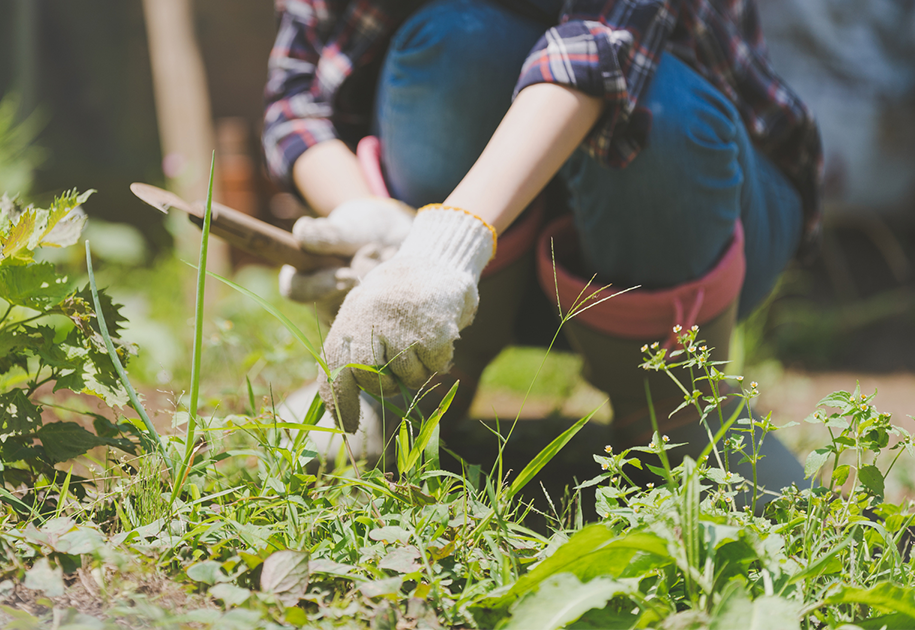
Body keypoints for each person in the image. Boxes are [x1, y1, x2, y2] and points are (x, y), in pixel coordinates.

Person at [264, 0, 821, 492]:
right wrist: (375, 221)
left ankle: (677, 411)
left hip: (694, 206)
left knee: (657, 107)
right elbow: (295, 97)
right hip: (480, 235)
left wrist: (445, 244)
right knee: (457, 39)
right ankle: (414, 384)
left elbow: (596, 51)